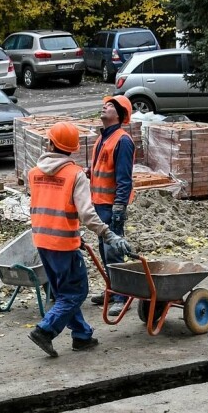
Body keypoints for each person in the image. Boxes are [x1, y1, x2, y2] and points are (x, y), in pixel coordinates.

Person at [28, 121, 134, 357]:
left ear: (50, 143)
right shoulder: (74, 174)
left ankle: (82, 336)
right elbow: (87, 213)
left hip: (42, 242)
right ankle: (45, 330)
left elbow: (41, 207)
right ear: (72, 148)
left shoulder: (34, 173)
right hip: (63, 245)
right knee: (76, 293)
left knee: (65, 293)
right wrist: (109, 234)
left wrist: (76, 235)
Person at [88, 94, 136, 305]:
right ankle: (112, 288)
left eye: (110, 106)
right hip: (99, 204)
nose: (104, 108)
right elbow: (102, 168)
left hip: (111, 205)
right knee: (103, 250)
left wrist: (119, 207)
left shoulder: (123, 141)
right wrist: (88, 172)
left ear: (120, 114)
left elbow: (124, 178)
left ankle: (121, 296)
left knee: (113, 252)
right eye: (105, 105)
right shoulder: (103, 138)